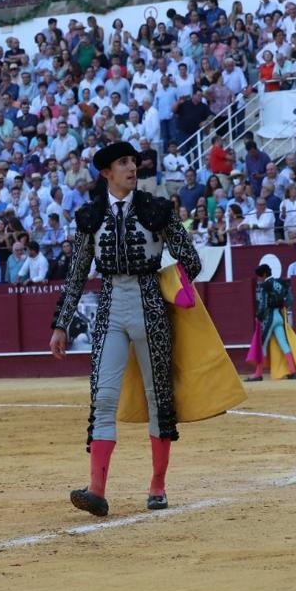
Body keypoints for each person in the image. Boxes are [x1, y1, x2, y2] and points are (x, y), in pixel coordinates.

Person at [50, 141, 202, 517]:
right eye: (123, 162)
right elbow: (76, 274)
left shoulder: (157, 209)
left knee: (158, 398)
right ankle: (97, 490)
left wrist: (170, 285)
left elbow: (191, 260)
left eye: (134, 161)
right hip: (110, 306)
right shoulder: (90, 216)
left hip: (150, 305)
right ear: (106, 173)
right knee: (103, 397)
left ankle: (157, 485)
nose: (132, 168)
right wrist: (61, 324)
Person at [245, 264, 296, 381]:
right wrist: (284, 306)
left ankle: (258, 374)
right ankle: (293, 371)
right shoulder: (280, 282)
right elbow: (290, 298)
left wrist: (259, 316)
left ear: (264, 274)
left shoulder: (266, 285)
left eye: (260, 276)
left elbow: (264, 303)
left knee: (261, 345)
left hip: (269, 318)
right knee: (284, 343)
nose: (259, 278)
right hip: (279, 316)